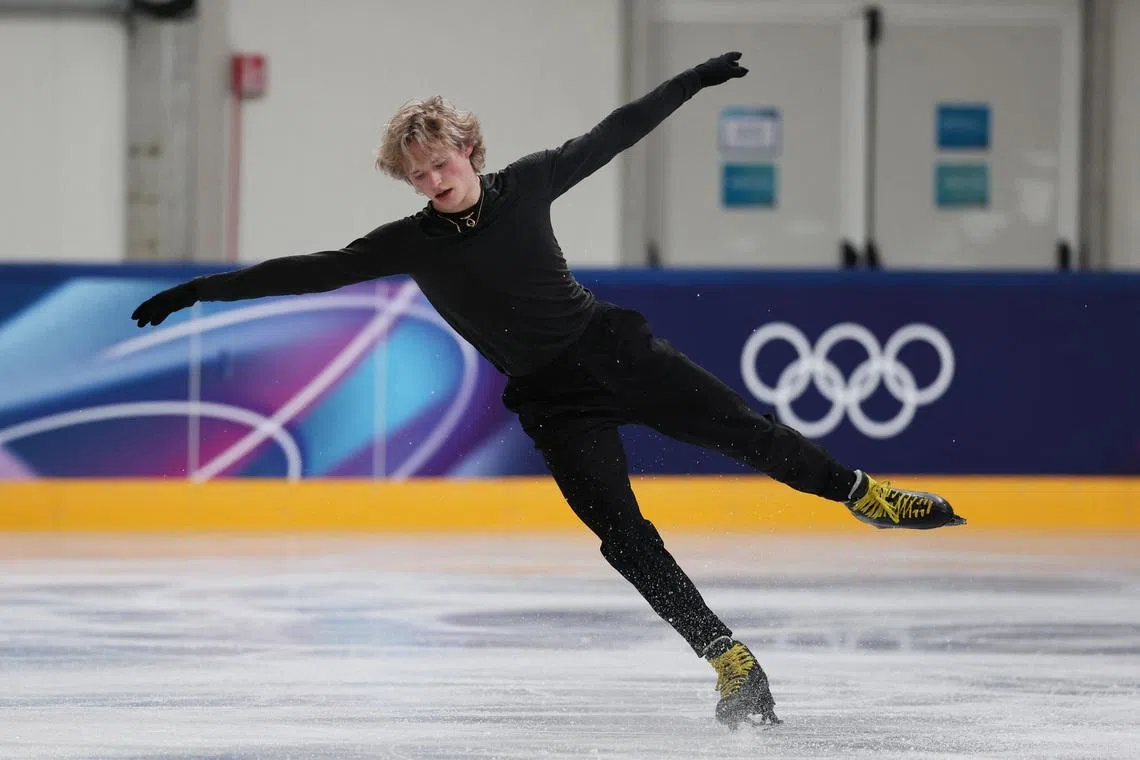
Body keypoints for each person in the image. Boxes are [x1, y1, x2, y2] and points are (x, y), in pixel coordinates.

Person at [130, 52, 966, 729]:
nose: (434, 183)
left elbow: (614, 134)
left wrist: (691, 83)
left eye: (442, 164)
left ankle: (864, 495)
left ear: (470, 152)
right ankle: (728, 660)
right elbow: (311, 272)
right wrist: (199, 289)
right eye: (418, 176)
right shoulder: (408, 243)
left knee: (749, 433)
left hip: (613, 352)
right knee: (623, 536)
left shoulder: (527, 185)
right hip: (552, 400)